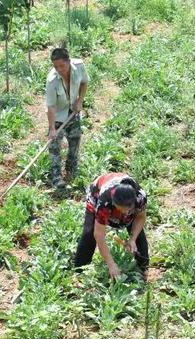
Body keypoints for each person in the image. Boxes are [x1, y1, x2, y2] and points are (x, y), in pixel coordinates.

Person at [74, 173, 150, 279]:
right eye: (120, 209)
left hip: (123, 199)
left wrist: (133, 239)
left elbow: (140, 217)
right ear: (114, 203)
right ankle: (79, 270)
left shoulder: (140, 197)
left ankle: (143, 267)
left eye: (127, 210)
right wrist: (111, 264)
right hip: (97, 192)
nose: (124, 213)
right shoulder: (104, 202)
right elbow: (99, 235)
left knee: (137, 233)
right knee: (89, 233)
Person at [45, 47, 90, 188]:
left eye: (62, 66)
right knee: (55, 147)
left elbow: (84, 82)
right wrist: (52, 128)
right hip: (58, 115)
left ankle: (71, 169)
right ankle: (56, 176)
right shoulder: (52, 80)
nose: (59, 69)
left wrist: (80, 101)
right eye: (56, 66)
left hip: (73, 111)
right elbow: (51, 106)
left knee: (75, 140)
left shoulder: (79, 66)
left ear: (69, 62)